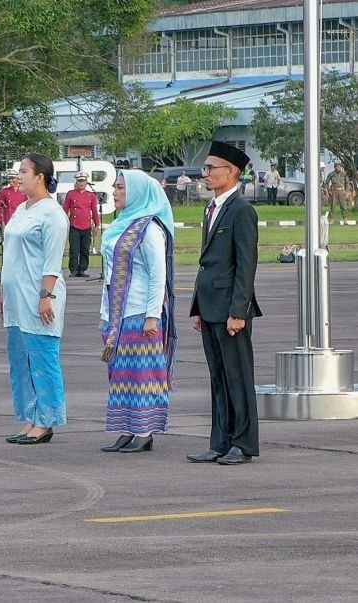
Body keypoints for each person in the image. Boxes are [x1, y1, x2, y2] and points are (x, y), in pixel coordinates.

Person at [188, 141, 262, 466]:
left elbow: (246, 266)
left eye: (210, 168)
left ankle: (243, 443)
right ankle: (220, 441)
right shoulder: (212, 208)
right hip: (210, 305)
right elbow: (207, 264)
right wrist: (197, 308)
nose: (205, 174)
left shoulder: (242, 210)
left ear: (231, 172)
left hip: (230, 308)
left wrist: (238, 312)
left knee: (237, 377)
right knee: (217, 377)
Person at [99, 170, 177, 453]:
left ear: (136, 192)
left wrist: (153, 315)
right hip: (116, 313)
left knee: (142, 372)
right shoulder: (119, 224)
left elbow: (159, 276)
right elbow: (108, 273)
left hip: (140, 312)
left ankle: (144, 431)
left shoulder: (148, 228)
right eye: (115, 186)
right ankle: (127, 428)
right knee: (121, 373)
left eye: (120, 187)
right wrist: (104, 313)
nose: (115, 191)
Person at [0, 153, 68, 445]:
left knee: (42, 358)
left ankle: (46, 420)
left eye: (24, 171)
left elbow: (52, 260)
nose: (19, 176)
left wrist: (45, 296)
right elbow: (10, 254)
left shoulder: (52, 213)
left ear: (40, 176)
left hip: (39, 296)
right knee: (20, 361)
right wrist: (2, 290)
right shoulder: (21, 209)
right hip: (15, 298)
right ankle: (30, 416)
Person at [62, 171, 100, 278]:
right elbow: (65, 208)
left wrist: (97, 224)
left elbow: (94, 210)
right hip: (74, 225)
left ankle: (82, 269)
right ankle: (73, 269)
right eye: (79, 181)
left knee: (84, 249)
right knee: (74, 249)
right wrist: (63, 221)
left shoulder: (91, 195)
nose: (81, 183)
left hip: (87, 225)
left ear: (86, 182)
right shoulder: (71, 193)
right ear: (76, 182)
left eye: (83, 181)